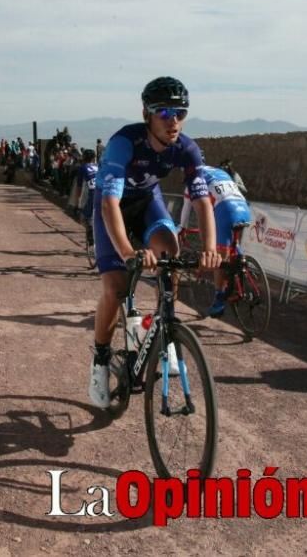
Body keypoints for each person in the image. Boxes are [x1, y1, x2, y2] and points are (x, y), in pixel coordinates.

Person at [88, 76, 220, 408]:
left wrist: (210, 251)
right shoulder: (124, 143)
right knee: (116, 289)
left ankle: (167, 333)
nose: (172, 120)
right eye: (163, 112)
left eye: (180, 112)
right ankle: (100, 361)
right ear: (146, 113)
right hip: (113, 208)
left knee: (171, 253)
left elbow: (203, 202)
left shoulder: (186, 148)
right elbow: (108, 204)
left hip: (147, 203)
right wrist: (129, 252)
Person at [178, 164, 252, 316]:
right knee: (232, 245)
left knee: (218, 257)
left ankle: (219, 299)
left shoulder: (193, 177)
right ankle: (238, 269)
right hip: (244, 208)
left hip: (226, 210)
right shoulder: (218, 171)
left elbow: (187, 208)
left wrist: (182, 228)